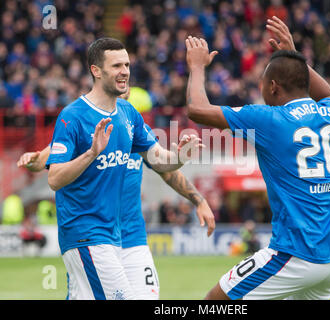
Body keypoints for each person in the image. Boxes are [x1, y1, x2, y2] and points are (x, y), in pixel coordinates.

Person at [185, 16, 330, 300]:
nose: (260, 90)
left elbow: (196, 109)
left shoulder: (269, 119)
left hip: (296, 255)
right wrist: (296, 57)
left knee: (212, 303)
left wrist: (197, 67)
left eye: (263, 84)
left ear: (273, 87)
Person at [43, 37, 210, 300]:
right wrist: (91, 154)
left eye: (127, 64)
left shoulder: (127, 113)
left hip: (119, 236)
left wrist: (180, 156)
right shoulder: (72, 116)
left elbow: (158, 160)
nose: (125, 71)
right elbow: (54, 179)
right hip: (86, 234)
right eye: (116, 65)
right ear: (96, 71)